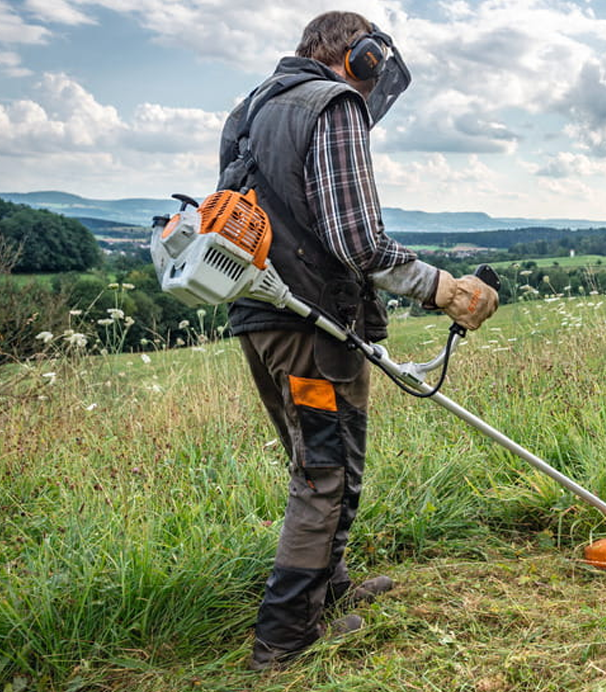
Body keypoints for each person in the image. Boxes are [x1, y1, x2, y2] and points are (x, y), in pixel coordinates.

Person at [214, 10, 499, 670]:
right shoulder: (334, 103)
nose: (374, 94)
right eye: (374, 74)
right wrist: (443, 289)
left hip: (260, 317)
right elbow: (357, 242)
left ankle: (328, 592)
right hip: (312, 323)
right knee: (327, 472)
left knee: (319, 465)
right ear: (363, 57)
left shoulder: (253, 109)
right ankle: (283, 639)